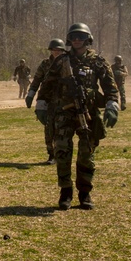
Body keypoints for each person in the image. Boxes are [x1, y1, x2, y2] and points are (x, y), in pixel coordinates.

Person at [34, 22, 120, 211]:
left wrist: (112, 105)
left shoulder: (98, 61)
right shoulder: (61, 60)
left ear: (87, 39)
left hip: (88, 114)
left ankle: (85, 193)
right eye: (73, 37)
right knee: (62, 152)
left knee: (86, 154)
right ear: (69, 39)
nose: (77, 40)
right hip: (64, 113)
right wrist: (41, 104)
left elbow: (110, 87)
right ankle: (65, 192)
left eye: (80, 37)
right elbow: (47, 83)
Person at [25, 38, 67, 164]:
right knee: (49, 129)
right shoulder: (45, 64)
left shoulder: (68, 63)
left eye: (59, 50)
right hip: (48, 101)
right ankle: (51, 155)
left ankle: (62, 154)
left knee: (63, 129)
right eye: (54, 50)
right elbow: (37, 79)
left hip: (65, 101)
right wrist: (31, 94)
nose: (56, 52)